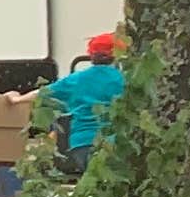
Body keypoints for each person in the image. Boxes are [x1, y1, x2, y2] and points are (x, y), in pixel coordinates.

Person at [41, 30, 127, 174]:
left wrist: (16, 98)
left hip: (81, 144)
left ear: (91, 55)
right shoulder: (123, 79)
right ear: (116, 54)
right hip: (113, 143)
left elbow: (42, 94)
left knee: (94, 183)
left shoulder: (76, 79)